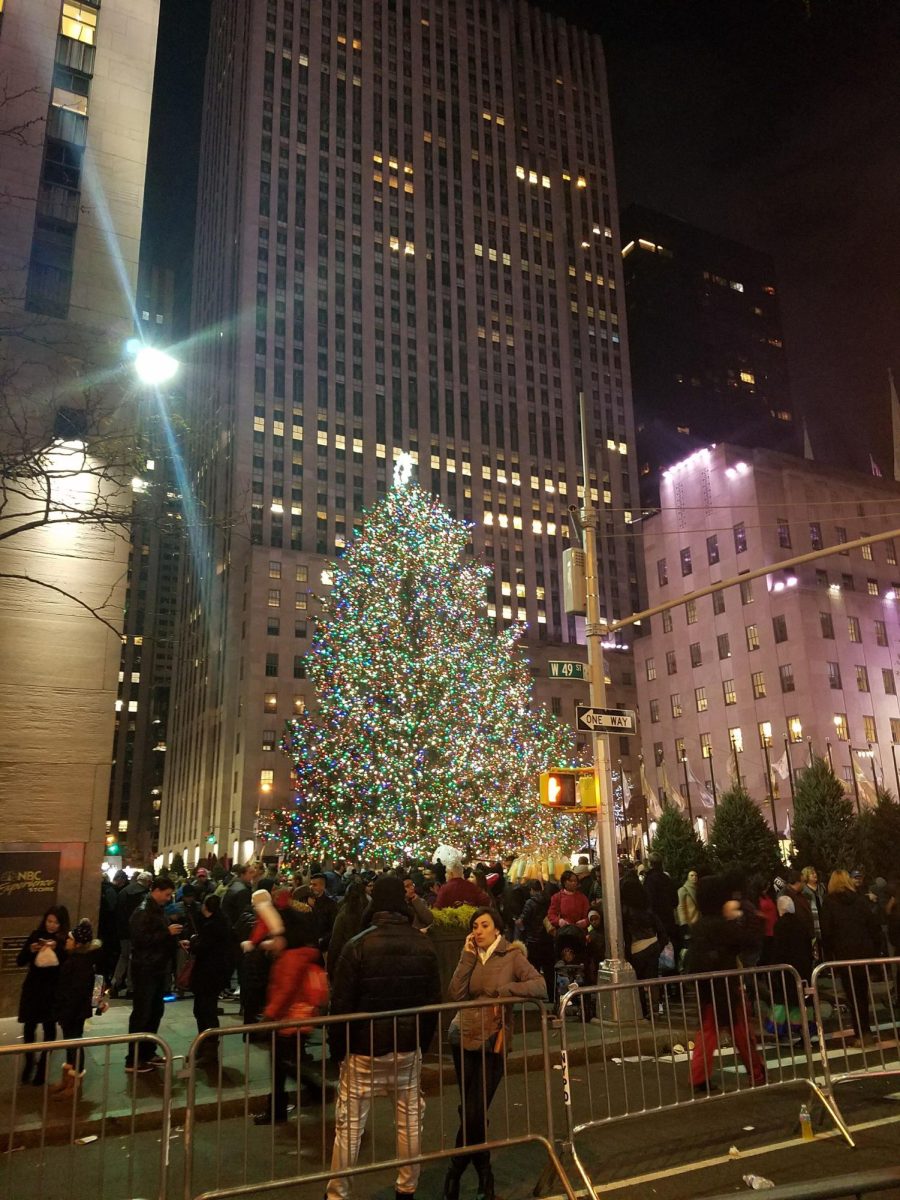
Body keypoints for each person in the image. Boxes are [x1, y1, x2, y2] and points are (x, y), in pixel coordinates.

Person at [326, 875, 441, 1200]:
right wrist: (421, 1041)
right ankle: (406, 1187)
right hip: (406, 1048)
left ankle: (337, 1192)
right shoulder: (423, 945)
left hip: (364, 1049)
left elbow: (341, 1006)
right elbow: (434, 1002)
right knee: (408, 1121)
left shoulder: (358, 945)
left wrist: (339, 1050)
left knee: (349, 1127)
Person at [444, 906, 547, 1200]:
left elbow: (540, 985)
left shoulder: (512, 955)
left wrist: (505, 992)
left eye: (484, 925)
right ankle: (485, 1178)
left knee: (475, 1111)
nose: (478, 931)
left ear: (497, 929)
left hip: (493, 1041)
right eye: (475, 926)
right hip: (462, 1037)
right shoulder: (471, 955)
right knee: (471, 1112)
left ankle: (455, 1172)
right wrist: (465, 958)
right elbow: (456, 992)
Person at [686, 875, 766, 1094]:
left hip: (708, 988)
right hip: (726, 986)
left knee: (708, 1033)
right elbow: (748, 941)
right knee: (740, 1031)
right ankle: (756, 1071)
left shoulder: (700, 926)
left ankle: (699, 1076)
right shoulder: (722, 925)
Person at [254, 897, 329, 1124]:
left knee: (282, 1065)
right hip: (297, 1016)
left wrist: (269, 1016)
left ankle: (314, 1089)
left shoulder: (291, 957)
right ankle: (278, 1109)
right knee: (281, 1066)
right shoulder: (300, 952)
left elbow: (285, 990)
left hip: (289, 1019)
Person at [125, 877, 183, 1072]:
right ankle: (133, 1058)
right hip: (145, 968)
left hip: (157, 967)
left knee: (155, 1011)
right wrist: (166, 933)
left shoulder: (156, 909)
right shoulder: (143, 911)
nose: (169, 898)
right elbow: (140, 939)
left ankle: (148, 1052)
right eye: (167, 894)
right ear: (156, 890)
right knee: (143, 1012)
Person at [821, 869, 882, 1045]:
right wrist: (874, 950)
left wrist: (830, 955)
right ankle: (866, 1030)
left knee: (852, 993)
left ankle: (859, 1033)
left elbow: (827, 932)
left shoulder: (829, 903)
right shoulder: (860, 901)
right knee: (863, 993)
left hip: (844, 955)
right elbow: (873, 926)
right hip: (863, 953)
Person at [52, 917, 105, 1100]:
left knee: (74, 1043)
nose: (66, 941)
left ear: (77, 944)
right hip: (72, 1010)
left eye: (69, 939)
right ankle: (68, 1080)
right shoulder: (78, 959)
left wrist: (64, 1011)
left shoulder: (79, 963)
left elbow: (75, 991)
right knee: (70, 1043)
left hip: (73, 1011)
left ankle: (74, 1085)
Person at [17, 905, 69, 1085]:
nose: (52, 925)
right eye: (49, 921)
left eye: (56, 922)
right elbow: (20, 961)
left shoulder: (64, 941)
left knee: (49, 1027)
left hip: (52, 990)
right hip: (33, 988)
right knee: (29, 1026)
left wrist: (58, 949)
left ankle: (43, 1066)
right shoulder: (35, 935)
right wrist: (31, 950)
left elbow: (67, 964)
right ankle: (29, 1061)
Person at [189, 894, 233, 1056]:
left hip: (207, 975)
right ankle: (205, 1046)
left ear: (206, 907)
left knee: (205, 1011)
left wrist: (193, 942)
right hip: (215, 974)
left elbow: (202, 947)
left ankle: (208, 1049)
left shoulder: (211, 926)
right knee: (205, 1010)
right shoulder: (221, 922)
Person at [620, 876, 666, 1019]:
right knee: (652, 980)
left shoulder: (625, 910)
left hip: (636, 947)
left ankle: (643, 1010)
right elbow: (659, 926)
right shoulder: (646, 907)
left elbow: (626, 934)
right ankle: (655, 1010)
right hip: (653, 943)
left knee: (638, 981)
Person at [111, 870, 151, 997]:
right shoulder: (144, 894)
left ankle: (115, 983)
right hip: (136, 931)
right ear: (148, 882)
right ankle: (131, 987)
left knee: (124, 956)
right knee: (132, 957)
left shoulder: (124, 891)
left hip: (122, 931)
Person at [327, 879, 370, 980]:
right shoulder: (369, 911)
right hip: (366, 962)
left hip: (346, 960)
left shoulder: (344, 913)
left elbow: (335, 942)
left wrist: (331, 968)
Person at [643, 852, 681, 956]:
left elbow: (648, 901)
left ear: (650, 864)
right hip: (668, 918)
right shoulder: (667, 879)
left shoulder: (650, 880)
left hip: (657, 921)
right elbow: (675, 900)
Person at [547, 869, 589, 934]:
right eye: (571, 881)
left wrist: (585, 921)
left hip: (580, 933)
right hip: (564, 933)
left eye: (575, 881)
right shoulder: (557, 897)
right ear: (564, 882)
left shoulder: (582, 897)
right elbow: (551, 914)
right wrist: (559, 921)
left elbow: (588, 914)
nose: (574, 883)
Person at [222, 863, 258, 929]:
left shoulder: (235, 884)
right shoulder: (242, 890)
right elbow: (244, 915)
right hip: (234, 927)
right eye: (250, 873)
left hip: (227, 924)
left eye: (254, 872)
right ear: (242, 874)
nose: (253, 875)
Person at [309, 872, 339, 951]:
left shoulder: (331, 905)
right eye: (311, 884)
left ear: (322, 886)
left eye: (314, 885)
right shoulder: (305, 900)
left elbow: (334, 928)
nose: (311, 887)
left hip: (322, 947)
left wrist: (322, 940)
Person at [676, 869, 700, 936]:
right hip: (690, 922)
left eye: (696, 875)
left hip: (699, 920)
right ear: (688, 877)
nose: (694, 877)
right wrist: (683, 923)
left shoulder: (698, 889)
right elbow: (681, 907)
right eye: (691, 875)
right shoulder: (683, 890)